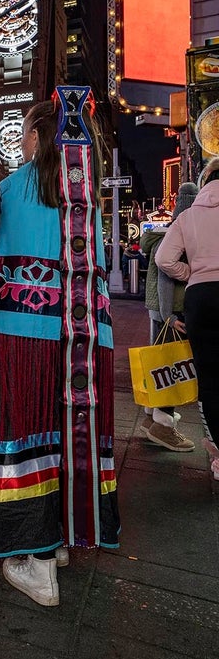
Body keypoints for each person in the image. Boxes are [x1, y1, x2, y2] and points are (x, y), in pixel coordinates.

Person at [0, 94, 119, 608]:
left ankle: (38, 563)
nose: (20, 145)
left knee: (25, 442)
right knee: (70, 439)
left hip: (24, 338)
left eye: (24, 135)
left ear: (39, 138)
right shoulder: (86, 201)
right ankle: (58, 541)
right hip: (85, 344)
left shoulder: (9, 190)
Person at [156, 157, 219, 481]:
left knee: (208, 378)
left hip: (201, 297)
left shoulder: (188, 215)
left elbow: (164, 259)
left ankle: (218, 455)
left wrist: (191, 272)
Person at [139, 184, 198, 451]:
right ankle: (163, 424)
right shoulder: (179, 233)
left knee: (161, 362)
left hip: (161, 310)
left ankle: (154, 416)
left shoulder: (163, 233)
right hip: (171, 311)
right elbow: (165, 277)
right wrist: (169, 315)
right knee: (171, 368)